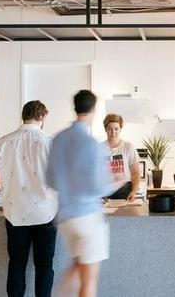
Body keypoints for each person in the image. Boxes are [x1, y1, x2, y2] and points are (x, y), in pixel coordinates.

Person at [47, 90, 113, 297]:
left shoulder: (58, 139)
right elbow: (99, 186)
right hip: (87, 218)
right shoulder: (90, 143)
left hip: (66, 218)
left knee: (78, 266)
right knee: (89, 281)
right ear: (93, 109)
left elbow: (50, 180)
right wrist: (115, 181)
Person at [0, 100, 58, 297]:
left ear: (23, 116)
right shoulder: (50, 142)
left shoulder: (4, 141)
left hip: (15, 212)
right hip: (45, 213)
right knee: (44, 265)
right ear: (44, 116)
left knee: (17, 264)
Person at [102, 113, 141, 201]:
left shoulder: (128, 147)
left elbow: (135, 173)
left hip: (125, 192)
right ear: (105, 129)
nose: (113, 132)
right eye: (110, 129)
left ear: (120, 129)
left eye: (116, 129)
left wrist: (133, 192)